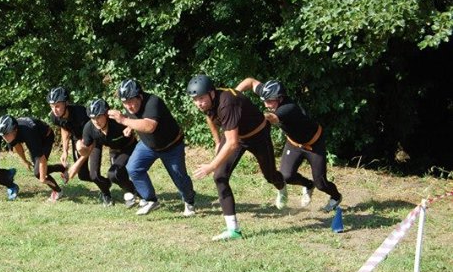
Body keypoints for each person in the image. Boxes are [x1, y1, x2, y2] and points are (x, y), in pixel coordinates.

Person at [187, 74, 288, 241]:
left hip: (257, 135)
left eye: (202, 98)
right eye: (195, 99)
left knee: (269, 175)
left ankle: (281, 186)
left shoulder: (227, 104)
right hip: (236, 136)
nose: (199, 103)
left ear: (211, 93)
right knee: (220, 177)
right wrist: (217, 142)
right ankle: (233, 230)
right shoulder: (210, 103)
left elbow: (232, 143)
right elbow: (210, 118)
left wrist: (211, 165)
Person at [235, 78, 343, 212]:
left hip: (313, 144)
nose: (266, 105)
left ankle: (336, 197)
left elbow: (272, 118)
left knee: (321, 183)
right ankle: (308, 185)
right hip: (294, 143)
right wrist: (233, 95)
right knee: (286, 176)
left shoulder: (288, 108)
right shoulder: (269, 92)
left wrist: (253, 115)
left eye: (269, 101)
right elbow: (250, 82)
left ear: (280, 98)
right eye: (265, 101)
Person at [107, 79, 196, 216]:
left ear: (140, 96)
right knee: (133, 168)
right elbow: (137, 118)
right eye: (124, 102)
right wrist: (130, 126)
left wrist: (124, 120)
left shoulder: (153, 102)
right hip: (148, 145)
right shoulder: (130, 106)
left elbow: (149, 126)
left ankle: (189, 202)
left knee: (179, 177)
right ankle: (151, 200)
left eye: (131, 101)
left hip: (171, 146)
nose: (128, 106)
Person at [66, 98, 138, 206]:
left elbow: (135, 118)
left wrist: (130, 127)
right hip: (113, 149)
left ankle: (134, 191)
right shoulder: (89, 128)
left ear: (106, 114)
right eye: (92, 118)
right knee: (102, 175)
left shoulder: (116, 121)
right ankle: (108, 193)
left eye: (99, 117)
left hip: (128, 147)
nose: (96, 121)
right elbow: (87, 151)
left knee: (114, 174)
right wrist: (81, 149)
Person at [47, 87, 109, 197]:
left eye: (57, 106)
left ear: (66, 103)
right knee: (83, 175)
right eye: (52, 106)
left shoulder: (80, 113)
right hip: (78, 140)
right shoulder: (54, 116)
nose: (54, 110)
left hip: (94, 139)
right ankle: (107, 183)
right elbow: (64, 128)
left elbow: (92, 139)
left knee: (94, 175)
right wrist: (65, 151)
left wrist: (77, 164)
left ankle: (106, 194)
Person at [0, 114, 66, 202]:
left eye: (6, 135)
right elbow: (17, 146)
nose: (4, 138)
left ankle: (58, 191)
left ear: (15, 130)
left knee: (38, 173)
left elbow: (42, 159)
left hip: (46, 137)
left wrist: (42, 178)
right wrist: (25, 161)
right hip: (35, 136)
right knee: (39, 169)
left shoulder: (28, 133)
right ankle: (63, 168)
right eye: (2, 135)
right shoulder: (10, 133)